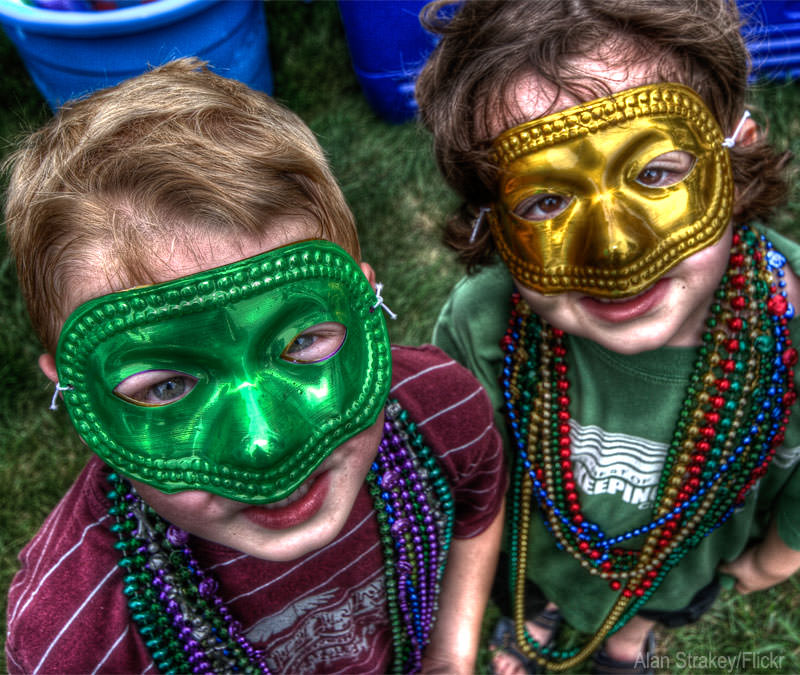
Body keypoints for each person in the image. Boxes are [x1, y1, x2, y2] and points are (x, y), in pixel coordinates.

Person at [4, 58, 506, 675]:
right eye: (167, 385)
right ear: (74, 393)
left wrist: (451, 656)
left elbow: (479, 499)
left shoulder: (443, 409)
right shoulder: (77, 634)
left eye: (300, 343)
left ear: (365, 303)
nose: (263, 444)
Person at [414, 0, 800, 673]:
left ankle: (628, 638)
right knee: (530, 584)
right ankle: (535, 614)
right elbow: (473, 486)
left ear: (734, 149)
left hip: (682, 569)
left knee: (654, 603)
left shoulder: (789, 319)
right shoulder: (483, 328)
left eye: (655, 173)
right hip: (540, 554)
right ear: (491, 221)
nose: (615, 251)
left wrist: (776, 554)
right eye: (546, 201)